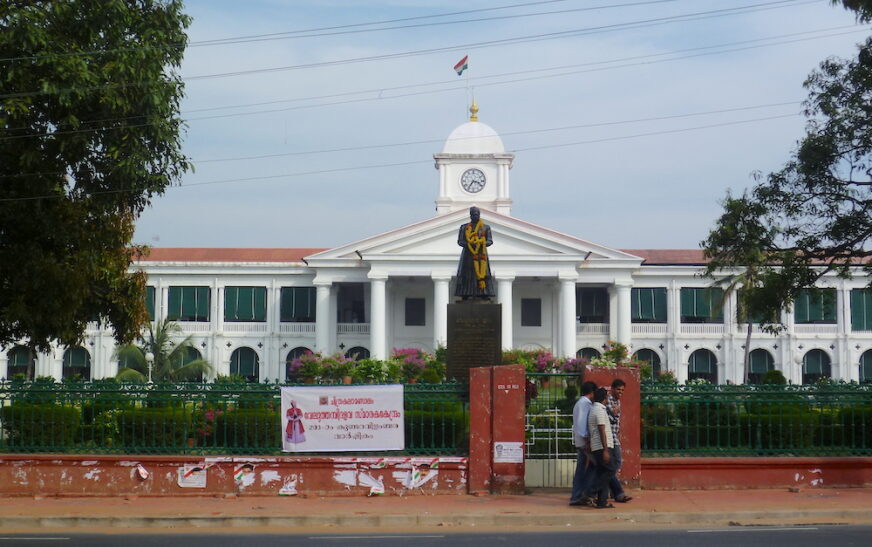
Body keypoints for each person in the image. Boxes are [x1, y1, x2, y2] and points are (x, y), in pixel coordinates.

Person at [455, 206, 495, 300]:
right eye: (473, 214)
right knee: (467, 273)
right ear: (470, 215)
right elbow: (460, 241)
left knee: (483, 273)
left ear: (479, 215)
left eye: (477, 214)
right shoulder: (464, 227)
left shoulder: (485, 227)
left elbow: (490, 241)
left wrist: (481, 243)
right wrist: (470, 244)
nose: (475, 216)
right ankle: (465, 293)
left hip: (481, 255)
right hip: (468, 256)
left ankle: (483, 293)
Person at [588, 387, 617, 509]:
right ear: (605, 398)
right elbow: (601, 430)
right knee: (611, 469)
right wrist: (605, 450)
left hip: (599, 446)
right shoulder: (599, 410)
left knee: (603, 472)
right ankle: (591, 491)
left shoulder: (597, 409)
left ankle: (602, 502)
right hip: (601, 446)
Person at [569, 381, 597, 506]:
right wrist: (587, 441)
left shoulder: (581, 403)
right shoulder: (584, 404)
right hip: (585, 442)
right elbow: (581, 424)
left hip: (582, 441)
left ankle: (580, 494)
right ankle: (580, 494)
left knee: (586, 468)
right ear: (592, 392)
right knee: (593, 467)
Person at [607, 379, 632, 503]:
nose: (620, 392)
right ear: (612, 389)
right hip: (608, 437)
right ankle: (616, 492)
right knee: (611, 465)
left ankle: (612, 490)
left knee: (616, 464)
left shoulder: (618, 401)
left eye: (622, 390)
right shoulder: (609, 400)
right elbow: (609, 417)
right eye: (618, 389)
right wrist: (614, 412)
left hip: (614, 437)